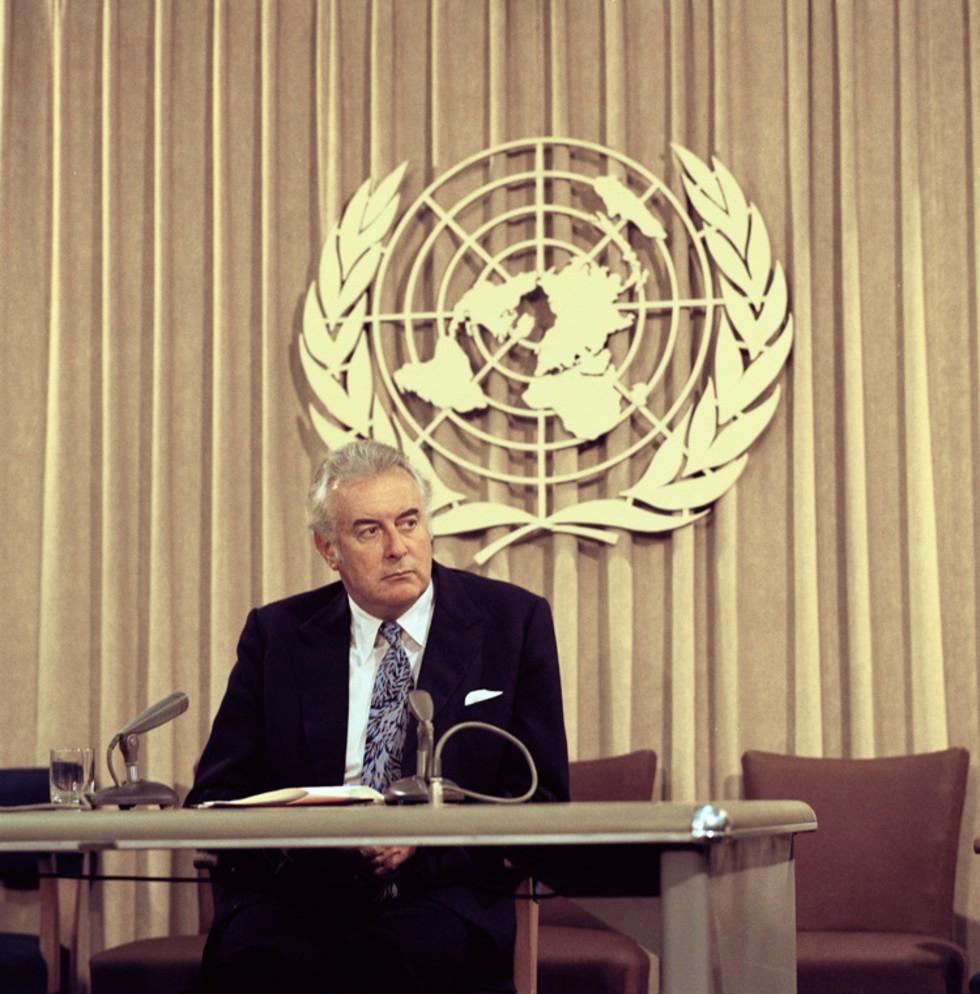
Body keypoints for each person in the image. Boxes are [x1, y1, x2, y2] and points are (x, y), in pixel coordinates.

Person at [186, 440, 569, 994]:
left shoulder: (513, 623)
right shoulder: (277, 637)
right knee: (257, 962)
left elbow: (543, 801)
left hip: (441, 896)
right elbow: (216, 793)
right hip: (299, 892)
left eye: (409, 522)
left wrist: (423, 842)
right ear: (329, 549)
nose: (398, 548)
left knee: (390, 963)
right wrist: (310, 838)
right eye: (369, 531)